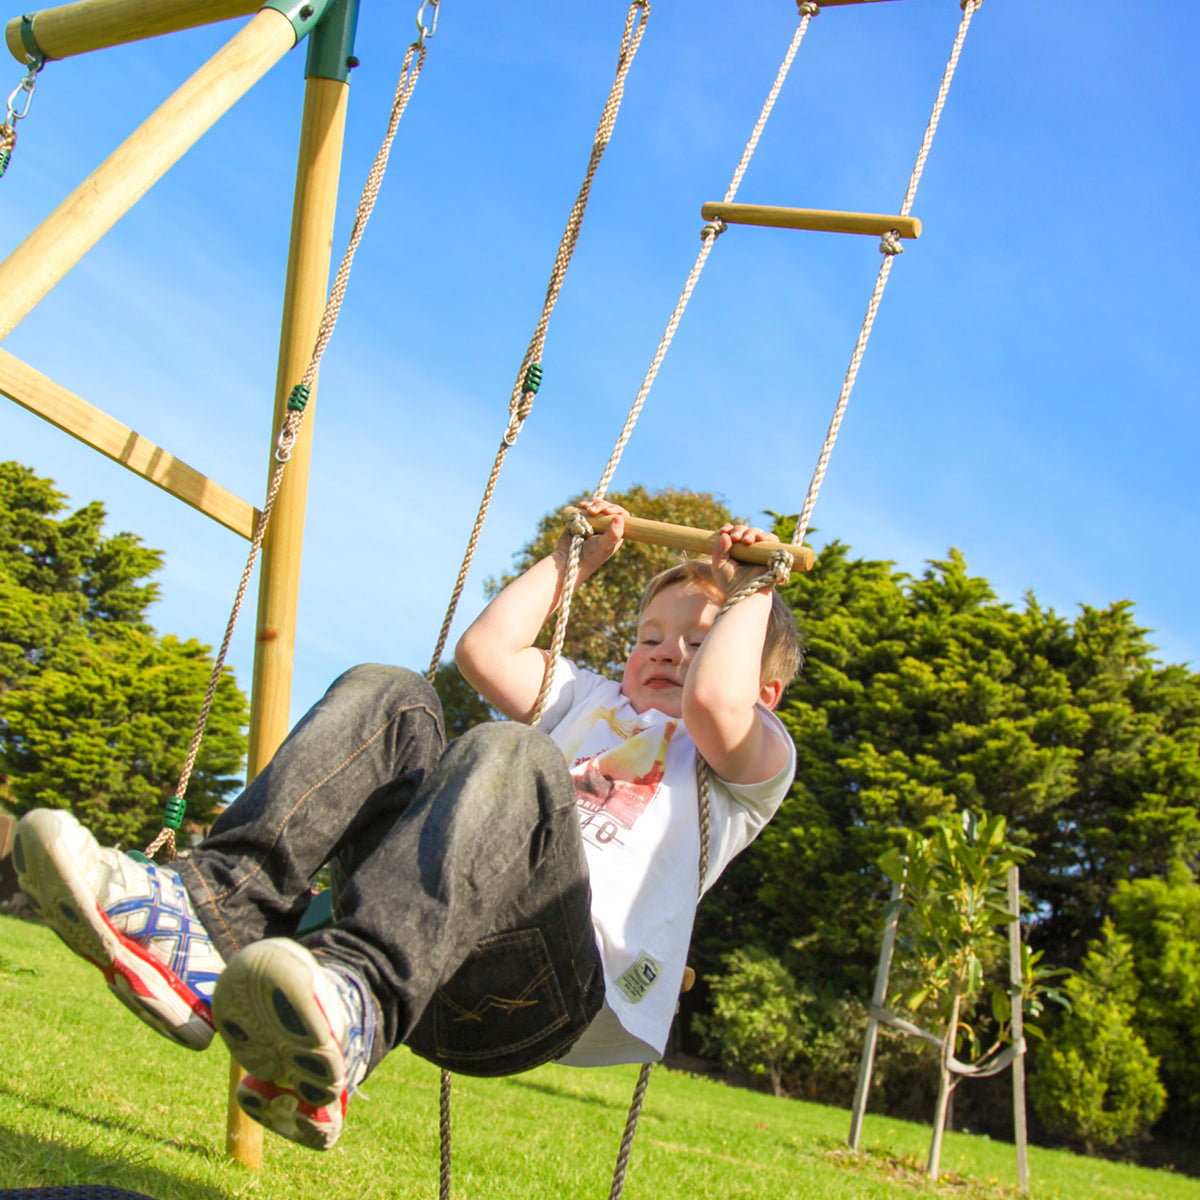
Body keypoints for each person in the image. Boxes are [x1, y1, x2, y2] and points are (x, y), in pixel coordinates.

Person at [13, 498, 801, 1151]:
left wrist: (754, 588)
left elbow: (714, 700)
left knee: (511, 751)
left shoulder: (741, 766)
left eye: (699, 642)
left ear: (762, 690)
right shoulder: (587, 700)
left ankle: (358, 1002)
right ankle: (208, 916)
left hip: (542, 988)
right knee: (394, 694)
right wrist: (573, 561)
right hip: (428, 934)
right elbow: (484, 651)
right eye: (649, 637)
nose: (667, 653)